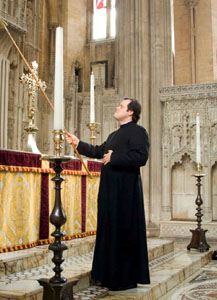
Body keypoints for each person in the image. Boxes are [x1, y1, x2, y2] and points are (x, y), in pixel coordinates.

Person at [64, 97, 150, 291]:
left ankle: (124, 279)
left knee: (123, 231)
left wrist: (115, 157)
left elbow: (141, 157)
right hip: (109, 190)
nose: (117, 107)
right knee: (109, 229)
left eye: (121, 106)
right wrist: (78, 143)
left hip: (126, 193)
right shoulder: (114, 134)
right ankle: (108, 276)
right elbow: (99, 151)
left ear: (130, 112)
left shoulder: (139, 132)